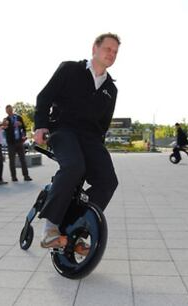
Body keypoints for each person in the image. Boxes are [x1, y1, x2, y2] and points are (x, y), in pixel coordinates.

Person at [34, 33, 120, 249]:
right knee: (74, 166)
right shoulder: (70, 69)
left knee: (108, 181)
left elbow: (103, 124)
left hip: (90, 138)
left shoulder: (111, 89)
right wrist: (41, 125)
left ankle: (76, 228)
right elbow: (44, 97)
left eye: (115, 52)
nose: (112, 54)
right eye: (108, 49)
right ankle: (50, 229)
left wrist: (97, 152)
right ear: (95, 48)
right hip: (63, 130)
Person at [4, 105, 32, 182]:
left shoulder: (19, 117)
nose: (9, 111)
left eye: (10, 109)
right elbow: (6, 130)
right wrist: (12, 125)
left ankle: (26, 176)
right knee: (12, 160)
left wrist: (24, 135)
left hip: (19, 141)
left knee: (23, 159)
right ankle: (14, 177)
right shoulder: (5, 120)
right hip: (11, 143)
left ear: (12, 109)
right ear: (6, 111)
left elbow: (23, 128)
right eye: (7, 110)